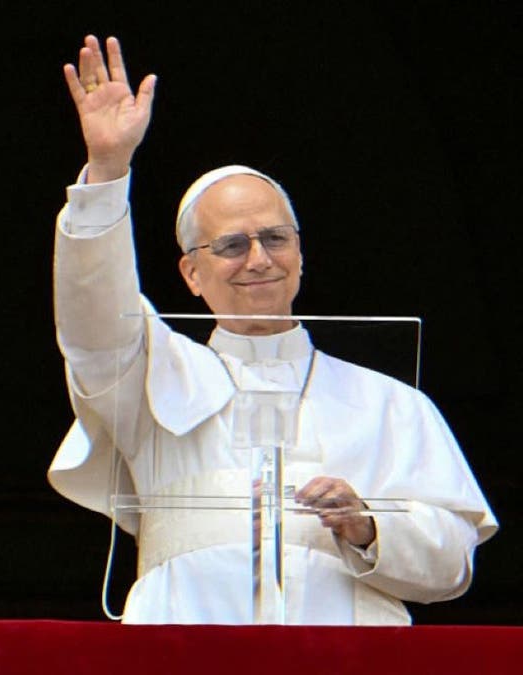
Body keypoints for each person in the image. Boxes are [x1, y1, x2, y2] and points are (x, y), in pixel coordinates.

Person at [47, 35, 497, 624]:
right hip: (184, 649)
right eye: (231, 244)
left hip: (347, 655)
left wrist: (367, 525)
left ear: (301, 255)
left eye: (275, 238)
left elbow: (452, 568)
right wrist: (107, 171)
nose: (258, 259)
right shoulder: (146, 374)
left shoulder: (392, 404)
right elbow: (92, 317)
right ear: (191, 273)